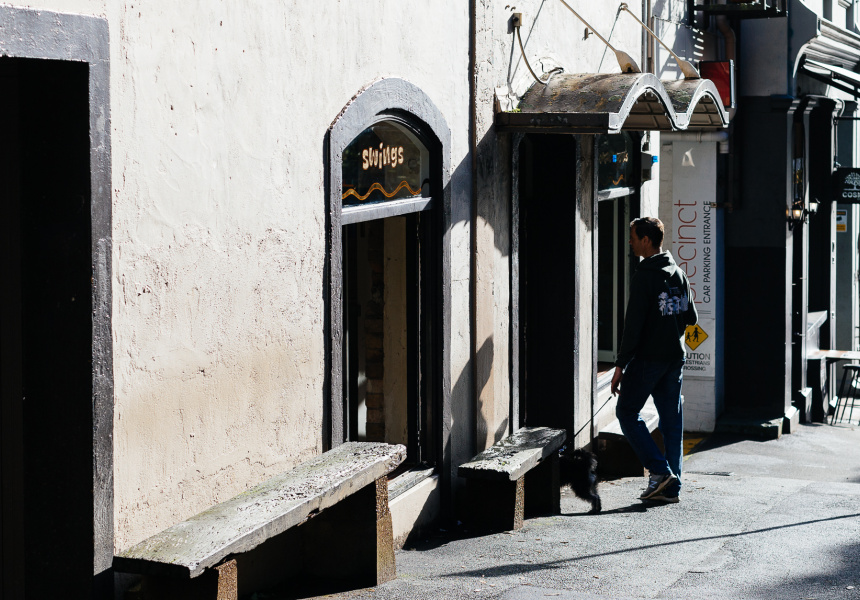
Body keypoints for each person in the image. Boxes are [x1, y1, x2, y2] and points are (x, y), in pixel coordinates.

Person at [610, 217, 697, 503]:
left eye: (633, 236)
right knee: (672, 424)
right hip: (674, 358)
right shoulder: (678, 274)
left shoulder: (644, 276)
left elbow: (633, 325)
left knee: (626, 412)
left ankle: (660, 472)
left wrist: (621, 365)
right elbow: (691, 318)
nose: (630, 242)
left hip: (648, 360)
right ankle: (671, 487)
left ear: (646, 240)